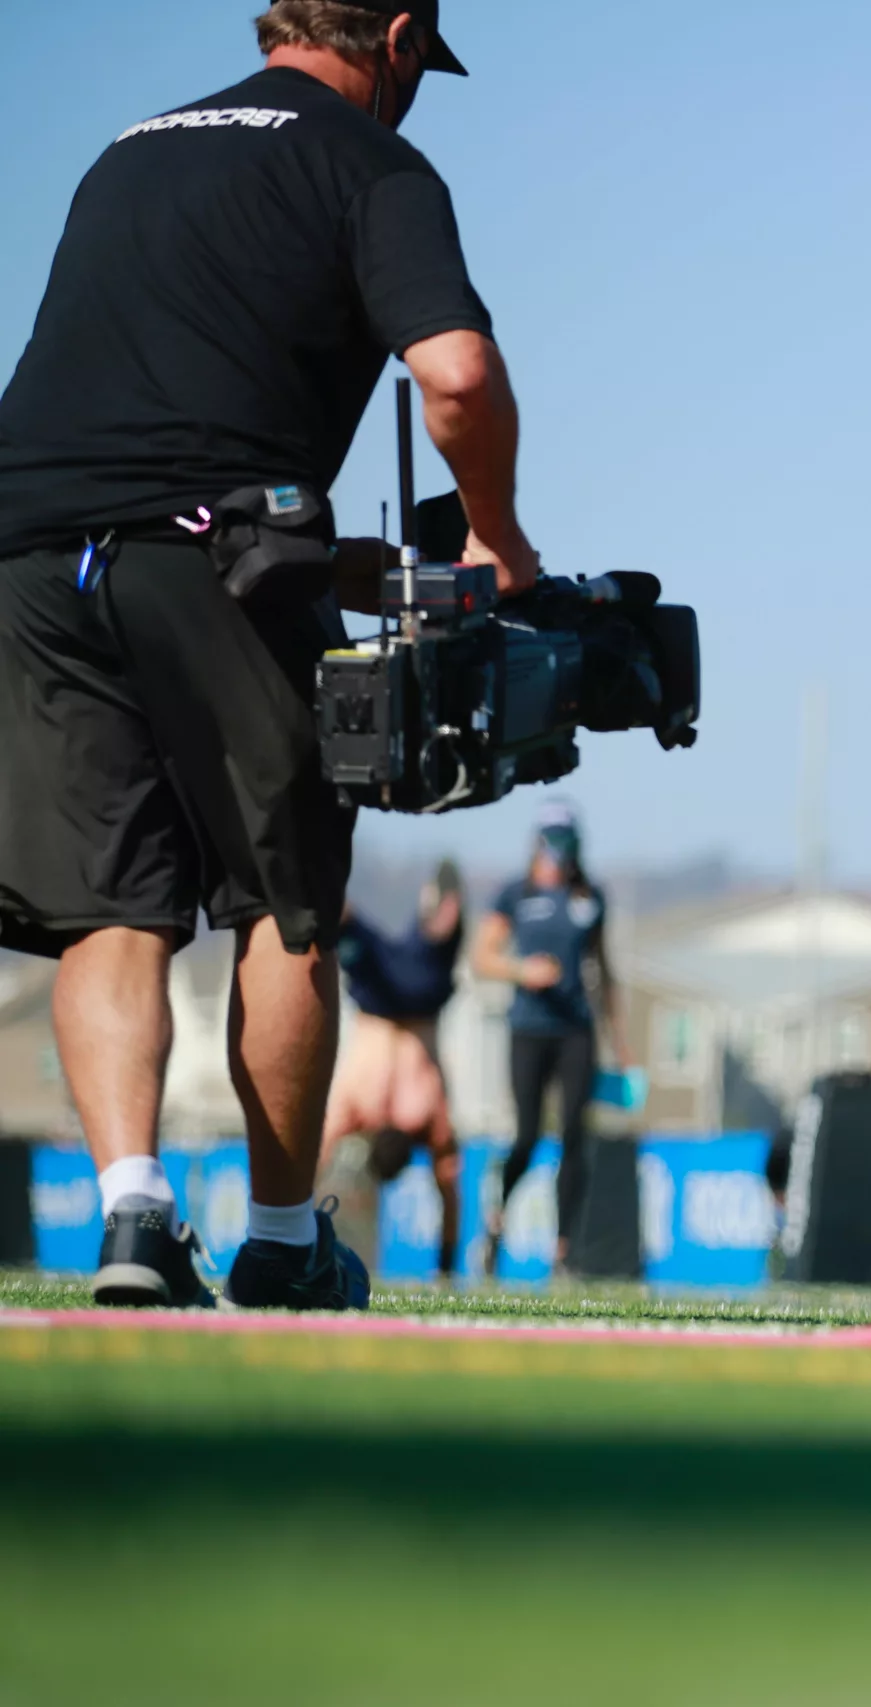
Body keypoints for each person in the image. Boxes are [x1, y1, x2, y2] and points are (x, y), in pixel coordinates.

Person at [0, 1, 537, 1310]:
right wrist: (494, 536)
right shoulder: (369, 161)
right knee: (284, 900)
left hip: (30, 550)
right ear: (399, 38)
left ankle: (133, 1218)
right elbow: (454, 375)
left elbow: (143, 429)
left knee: (110, 908)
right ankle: (288, 1240)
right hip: (216, 545)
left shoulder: (129, 147)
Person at [474, 807, 627, 1277]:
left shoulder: (591, 898)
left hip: (575, 1032)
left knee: (575, 1137)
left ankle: (564, 1251)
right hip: (529, 1030)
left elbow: (604, 971)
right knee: (527, 1136)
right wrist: (524, 971)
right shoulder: (515, 894)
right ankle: (496, 1222)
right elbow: (483, 956)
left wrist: (621, 1043)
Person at [322, 860, 469, 1279]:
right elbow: (449, 1183)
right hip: (406, 996)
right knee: (387, 949)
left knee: (402, 952)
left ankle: (432, 913)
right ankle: (427, 915)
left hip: (390, 998)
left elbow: (448, 1180)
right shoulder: (409, 1109)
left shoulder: (406, 1110)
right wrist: (446, 1266)